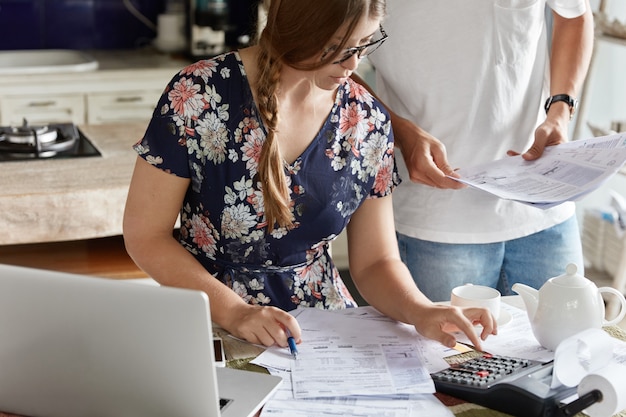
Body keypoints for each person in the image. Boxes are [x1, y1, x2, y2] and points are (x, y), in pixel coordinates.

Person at [123, 0, 496, 352]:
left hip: (321, 328)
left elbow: (375, 262)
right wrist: (235, 313)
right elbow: (146, 236)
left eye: (364, 45)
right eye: (337, 47)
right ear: (299, 27)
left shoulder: (366, 121)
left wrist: (421, 311)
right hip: (207, 319)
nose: (353, 65)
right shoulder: (198, 94)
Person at [359, 0, 594, 302]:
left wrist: (560, 109)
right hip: (438, 218)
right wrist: (400, 132)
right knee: (452, 349)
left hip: (545, 208)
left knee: (571, 346)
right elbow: (325, 54)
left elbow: (574, 15)